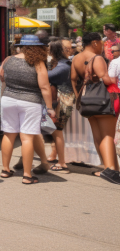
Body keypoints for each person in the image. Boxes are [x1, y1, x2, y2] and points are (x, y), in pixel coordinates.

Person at [0, 34, 57, 184]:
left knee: (8, 135)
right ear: (38, 47)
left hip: (8, 99)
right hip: (30, 102)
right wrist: (49, 107)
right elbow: (44, 87)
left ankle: (5, 169)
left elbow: (1, 76)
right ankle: (26, 175)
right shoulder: (37, 63)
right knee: (27, 138)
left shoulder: (9, 60)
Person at [72, 32, 120, 184]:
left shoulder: (76, 58)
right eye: (100, 43)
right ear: (94, 43)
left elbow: (74, 80)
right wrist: (113, 79)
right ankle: (110, 169)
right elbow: (104, 79)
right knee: (107, 136)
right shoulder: (97, 58)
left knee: (98, 136)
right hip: (103, 101)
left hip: (88, 103)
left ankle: (113, 169)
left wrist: (80, 98)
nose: (102, 46)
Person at [44, 40, 73, 173]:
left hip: (61, 101)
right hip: (64, 100)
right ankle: (55, 157)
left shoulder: (63, 67)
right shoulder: (64, 64)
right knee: (57, 132)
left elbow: (44, 77)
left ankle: (62, 163)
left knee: (57, 132)